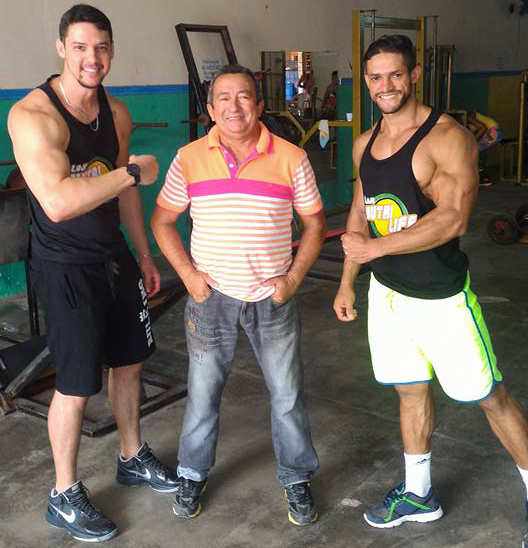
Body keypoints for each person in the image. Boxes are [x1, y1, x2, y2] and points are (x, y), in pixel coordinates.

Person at [332, 34, 528, 545]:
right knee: (409, 389)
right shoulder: (364, 143)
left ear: (414, 75)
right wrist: (348, 281)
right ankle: (419, 494)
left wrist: (376, 248)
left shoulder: (446, 137)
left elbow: (453, 218)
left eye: (396, 75)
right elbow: (360, 213)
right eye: (376, 77)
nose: (386, 86)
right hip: (387, 294)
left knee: (488, 396)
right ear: (366, 81)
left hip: (440, 297)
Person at [7, 4, 178, 542]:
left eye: (102, 47)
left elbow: (125, 194)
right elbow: (58, 203)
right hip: (65, 266)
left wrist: (144, 254)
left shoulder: (116, 112)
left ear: (112, 51)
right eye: (80, 47)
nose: (92, 58)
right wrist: (131, 172)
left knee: (130, 362)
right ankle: (63, 493)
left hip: (113, 257)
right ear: (62, 48)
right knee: (76, 384)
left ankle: (131, 455)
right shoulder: (32, 116)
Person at [152, 64, 326, 526]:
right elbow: (162, 221)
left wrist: (292, 280)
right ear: (210, 109)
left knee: (287, 395)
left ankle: (296, 477)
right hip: (210, 300)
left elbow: (314, 225)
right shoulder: (189, 158)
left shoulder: (291, 157)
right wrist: (189, 276)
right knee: (202, 395)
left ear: (260, 105)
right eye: (223, 98)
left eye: (244, 96)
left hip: (273, 300)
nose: (234, 106)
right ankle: (191, 474)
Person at [466, 110, 503, 186]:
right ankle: (483, 177)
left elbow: (483, 129)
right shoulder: (465, 122)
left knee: (471, 151)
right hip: (493, 133)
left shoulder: (468, 117)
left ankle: (483, 178)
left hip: (493, 132)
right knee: (473, 151)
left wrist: (472, 142)